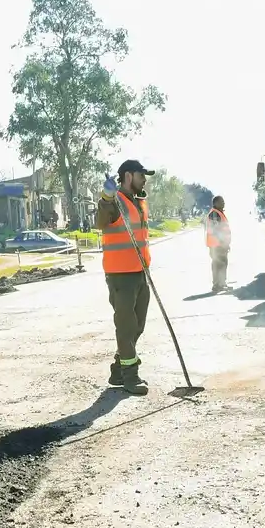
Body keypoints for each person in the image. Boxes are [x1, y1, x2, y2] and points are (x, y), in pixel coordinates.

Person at [95, 159, 155, 396]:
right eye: (142, 175)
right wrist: (106, 198)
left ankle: (118, 370)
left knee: (138, 325)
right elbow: (101, 221)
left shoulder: (137, 202)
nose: (145, 180)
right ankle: (130, 377)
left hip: (140, 273)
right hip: (120, 276)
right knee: (126, 326)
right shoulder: (115, 201)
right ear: (128, 176)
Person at [205, 196, 232, 293]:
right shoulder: (214, 214)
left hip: (219, 244)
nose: (223, 204)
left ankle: (221, 284)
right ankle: (217, 285)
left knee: (222, 264)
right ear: (215, 203)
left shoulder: (218, 213)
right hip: (217, 245)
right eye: (221, 202)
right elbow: (215, 230)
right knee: (218, 265)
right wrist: (222, 243)